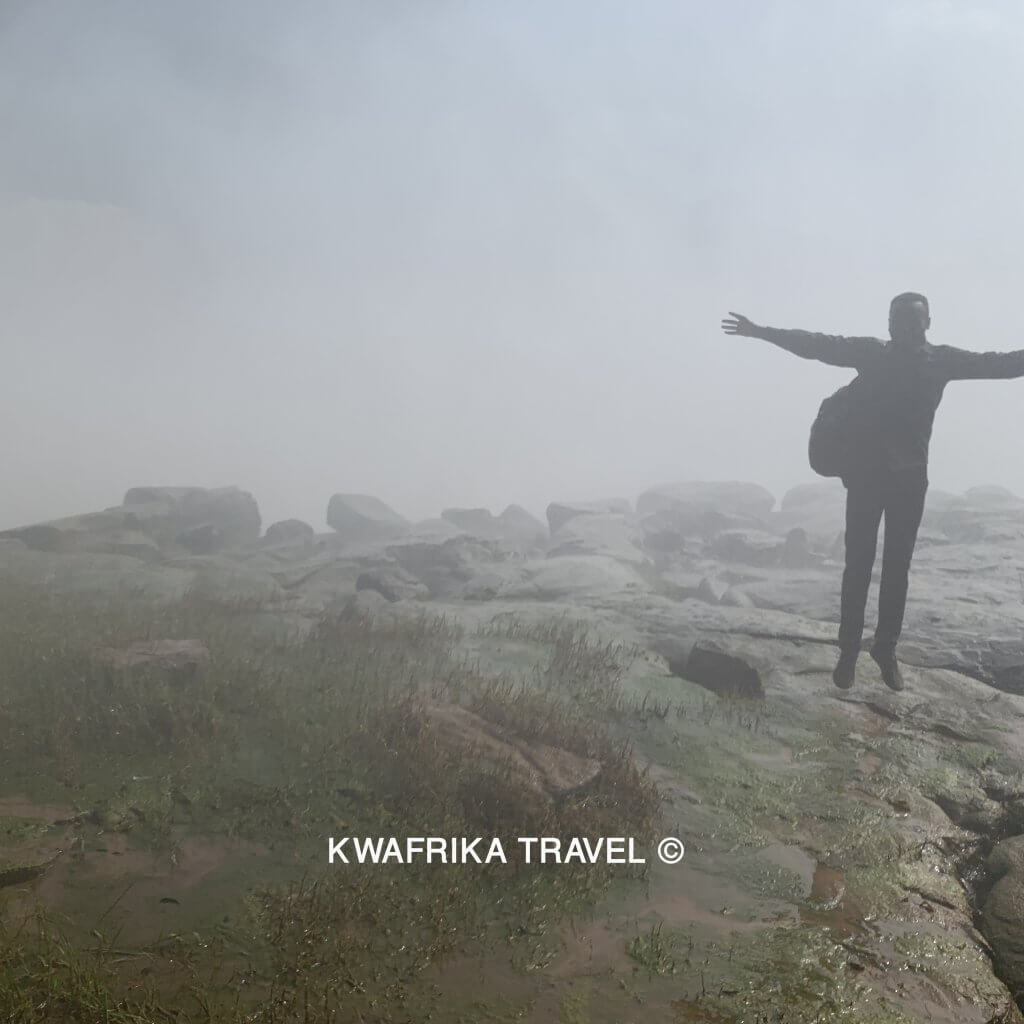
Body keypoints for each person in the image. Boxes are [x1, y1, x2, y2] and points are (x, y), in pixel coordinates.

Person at [721, 294, 1024, 691]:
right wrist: (761, 332)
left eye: (913, 321)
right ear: (889, 324)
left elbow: (997, 364)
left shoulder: (940, 360)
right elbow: (817, 344)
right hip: (866, 477)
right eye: (899, 320)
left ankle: (885, 649)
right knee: (858, 567)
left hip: (910, 482)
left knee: (897, 569)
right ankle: (847, 652)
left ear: (928, 322)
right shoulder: (872, 353)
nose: (905, 328)